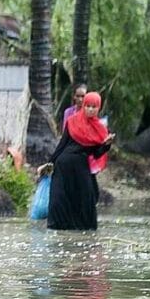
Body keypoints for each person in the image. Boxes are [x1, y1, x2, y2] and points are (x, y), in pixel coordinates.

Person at [38, 91, 115, 230]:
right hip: (63, 165)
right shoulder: (72, 121)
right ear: (84, 106)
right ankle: (58, 229)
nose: (90, 109)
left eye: (94, 107)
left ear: (99, 108)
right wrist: (49, 162)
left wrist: (106, 145)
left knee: (87, 198)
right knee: (59, 198)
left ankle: (84, 231)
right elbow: (62, 144)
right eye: (88, 106)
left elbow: (96, 154)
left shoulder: (101, 129)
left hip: (81, 166)